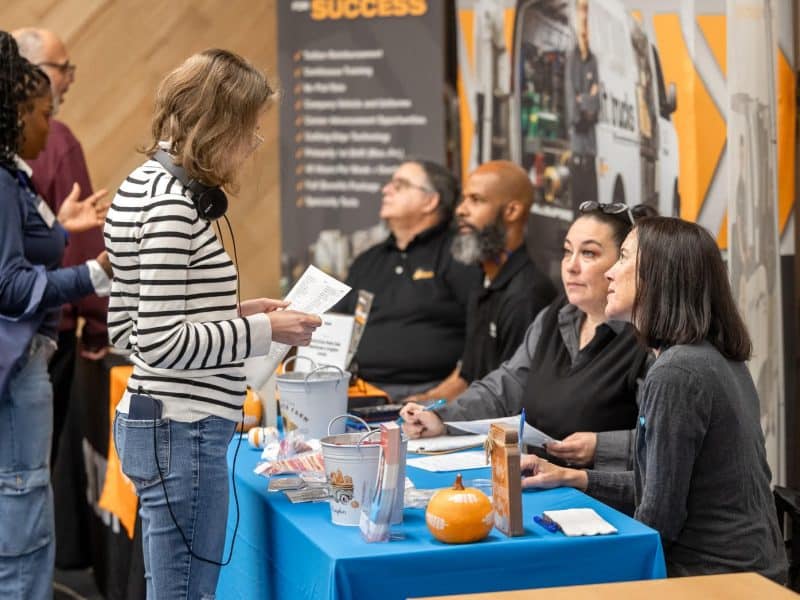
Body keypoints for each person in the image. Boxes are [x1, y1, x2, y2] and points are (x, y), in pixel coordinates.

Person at [105, 49, 321, 598]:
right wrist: (268, 332)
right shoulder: (174, 208)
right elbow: (157, 341)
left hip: (162, 424)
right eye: (249, 131)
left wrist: (236, 315)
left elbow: (125, 327)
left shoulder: (139, 186)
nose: (252, 146)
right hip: (183, 429)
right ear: (218, 127)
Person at [521, 217, 788, 582]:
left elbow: (659, 518)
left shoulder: (676, 372)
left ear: (659, 275)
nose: (611, 274)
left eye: (623, 259)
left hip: (712, 576)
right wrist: (574, 477)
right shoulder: (712, 356)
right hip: (751, 568)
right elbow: (664, 485)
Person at [401, 202, 655, 477]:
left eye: (589, 254)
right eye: (567, 252)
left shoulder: (647, 338)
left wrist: (602, 447)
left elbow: (662, 440)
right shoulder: (553, 317)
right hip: (535, 478)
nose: (571, 266)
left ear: (626, 265)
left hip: (604, 497)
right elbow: (506, 386)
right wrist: (441, 418)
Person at [0, 32, 112, 600]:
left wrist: (61, 229)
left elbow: (26, 245)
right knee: (21, 505)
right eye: (44, 113)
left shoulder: (12, 173)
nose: (52, 128)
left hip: (27, 362)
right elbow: (10, 284)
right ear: (17, 111)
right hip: (18, 363)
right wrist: (98, 273)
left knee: (26, 502)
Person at [13, 27, 110, 468]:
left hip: (31, 336)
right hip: (34, 342)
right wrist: (97, 321)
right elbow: (11, 280)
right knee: (27, 480)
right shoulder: (52, 143)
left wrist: (61, 229)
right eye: (61, 67)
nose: (70, 77)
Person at [404, 160, 556, 403]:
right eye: (463, 199)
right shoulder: (483, 280)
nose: (461, 210)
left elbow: (512, 397)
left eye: (476, 200)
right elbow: (466, 377)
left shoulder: (527, 295)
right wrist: (421, 403)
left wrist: (442, 417)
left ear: (512, 211)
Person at [333, 160, 481, 400]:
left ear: (430, 201)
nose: (386, 190)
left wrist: (436, 397)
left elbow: (481, 338)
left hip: (431, 393)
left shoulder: (459, 255)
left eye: (400, 186)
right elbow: (334, 326)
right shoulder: (367, 260)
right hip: (359, 390)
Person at [566, 0, 600, 209]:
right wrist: (588, 99)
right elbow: (574, 110)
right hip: (578, 152)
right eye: (581, 11)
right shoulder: (573, 59)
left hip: (591, 152)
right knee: (579, 208)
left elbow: (596, 106)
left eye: (587, 11)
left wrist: (585, 100)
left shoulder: (593, 60)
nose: (585, 17)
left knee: (593, 207)